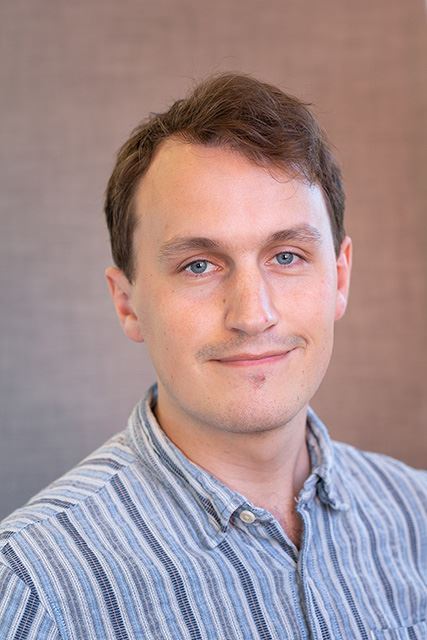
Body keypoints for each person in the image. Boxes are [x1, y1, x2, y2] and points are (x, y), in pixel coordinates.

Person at [0, 73, 425, 640]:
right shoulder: (34, 588)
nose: (252, 314)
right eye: (198, 265)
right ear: (127, 304)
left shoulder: (418, 516)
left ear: (340, 277)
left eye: (288, 256)